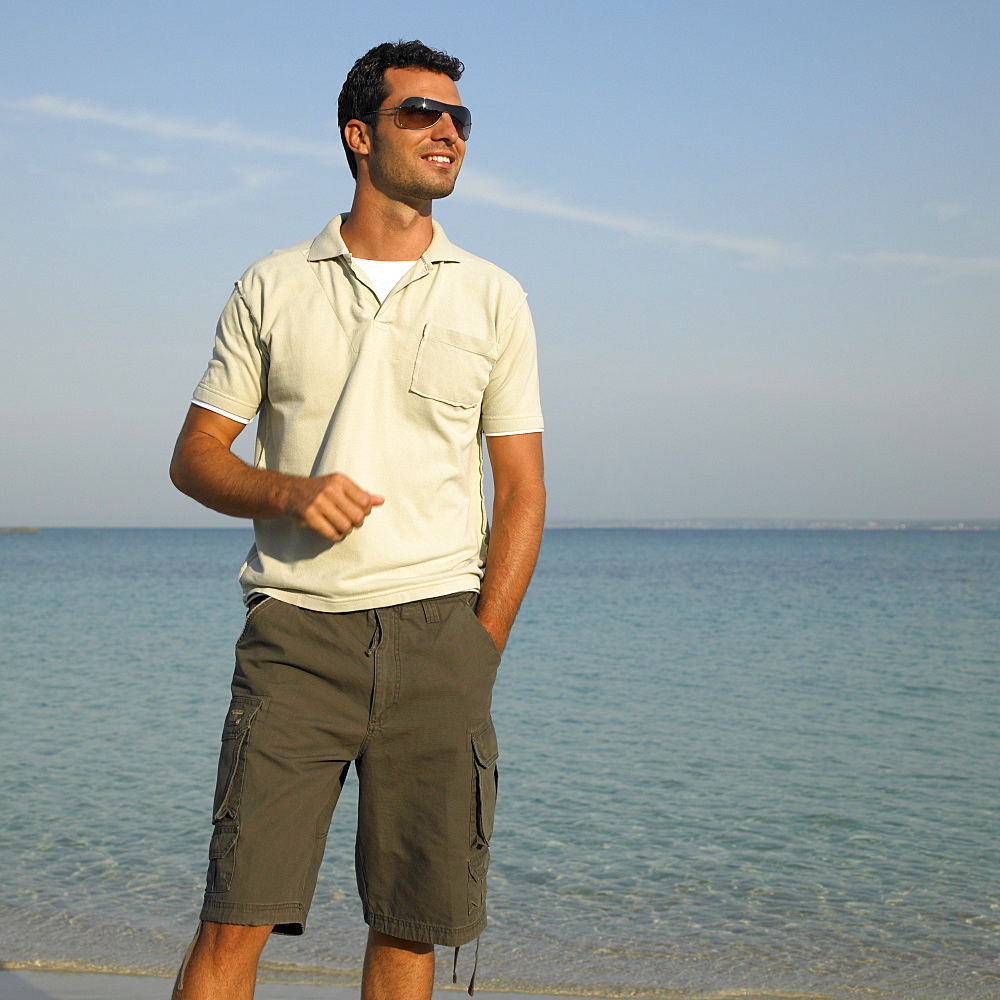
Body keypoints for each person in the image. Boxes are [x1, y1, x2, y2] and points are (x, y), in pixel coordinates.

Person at [168, 39, 545, 1000]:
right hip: (295, 639)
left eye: (461, 117)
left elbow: (525, 492)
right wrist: (286, 491)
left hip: (438, 638)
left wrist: (479, 647)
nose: (448, 130)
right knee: (232, 923)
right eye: (422, 112)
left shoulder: (494, 295)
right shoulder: (272, 283)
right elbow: (196, 458)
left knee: (408, 933)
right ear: (358, 134)